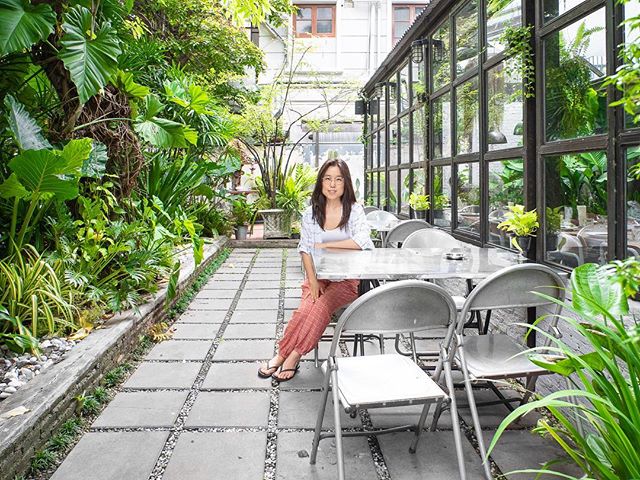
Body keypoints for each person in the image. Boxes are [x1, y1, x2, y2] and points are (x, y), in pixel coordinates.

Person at [258, 158, 374, 381]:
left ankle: (290, 356)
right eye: (327, 179)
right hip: (318, 277)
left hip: (347, 281)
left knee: (320, 307)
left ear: (345, 183)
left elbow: (361, 242)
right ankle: (283, 354)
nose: (332, 185)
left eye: (338, 179)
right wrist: (312, 281)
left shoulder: (355, 210)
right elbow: (305, 249)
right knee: (304, 310)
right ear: (321, 182)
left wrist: (325, 244)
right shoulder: (311, 213)